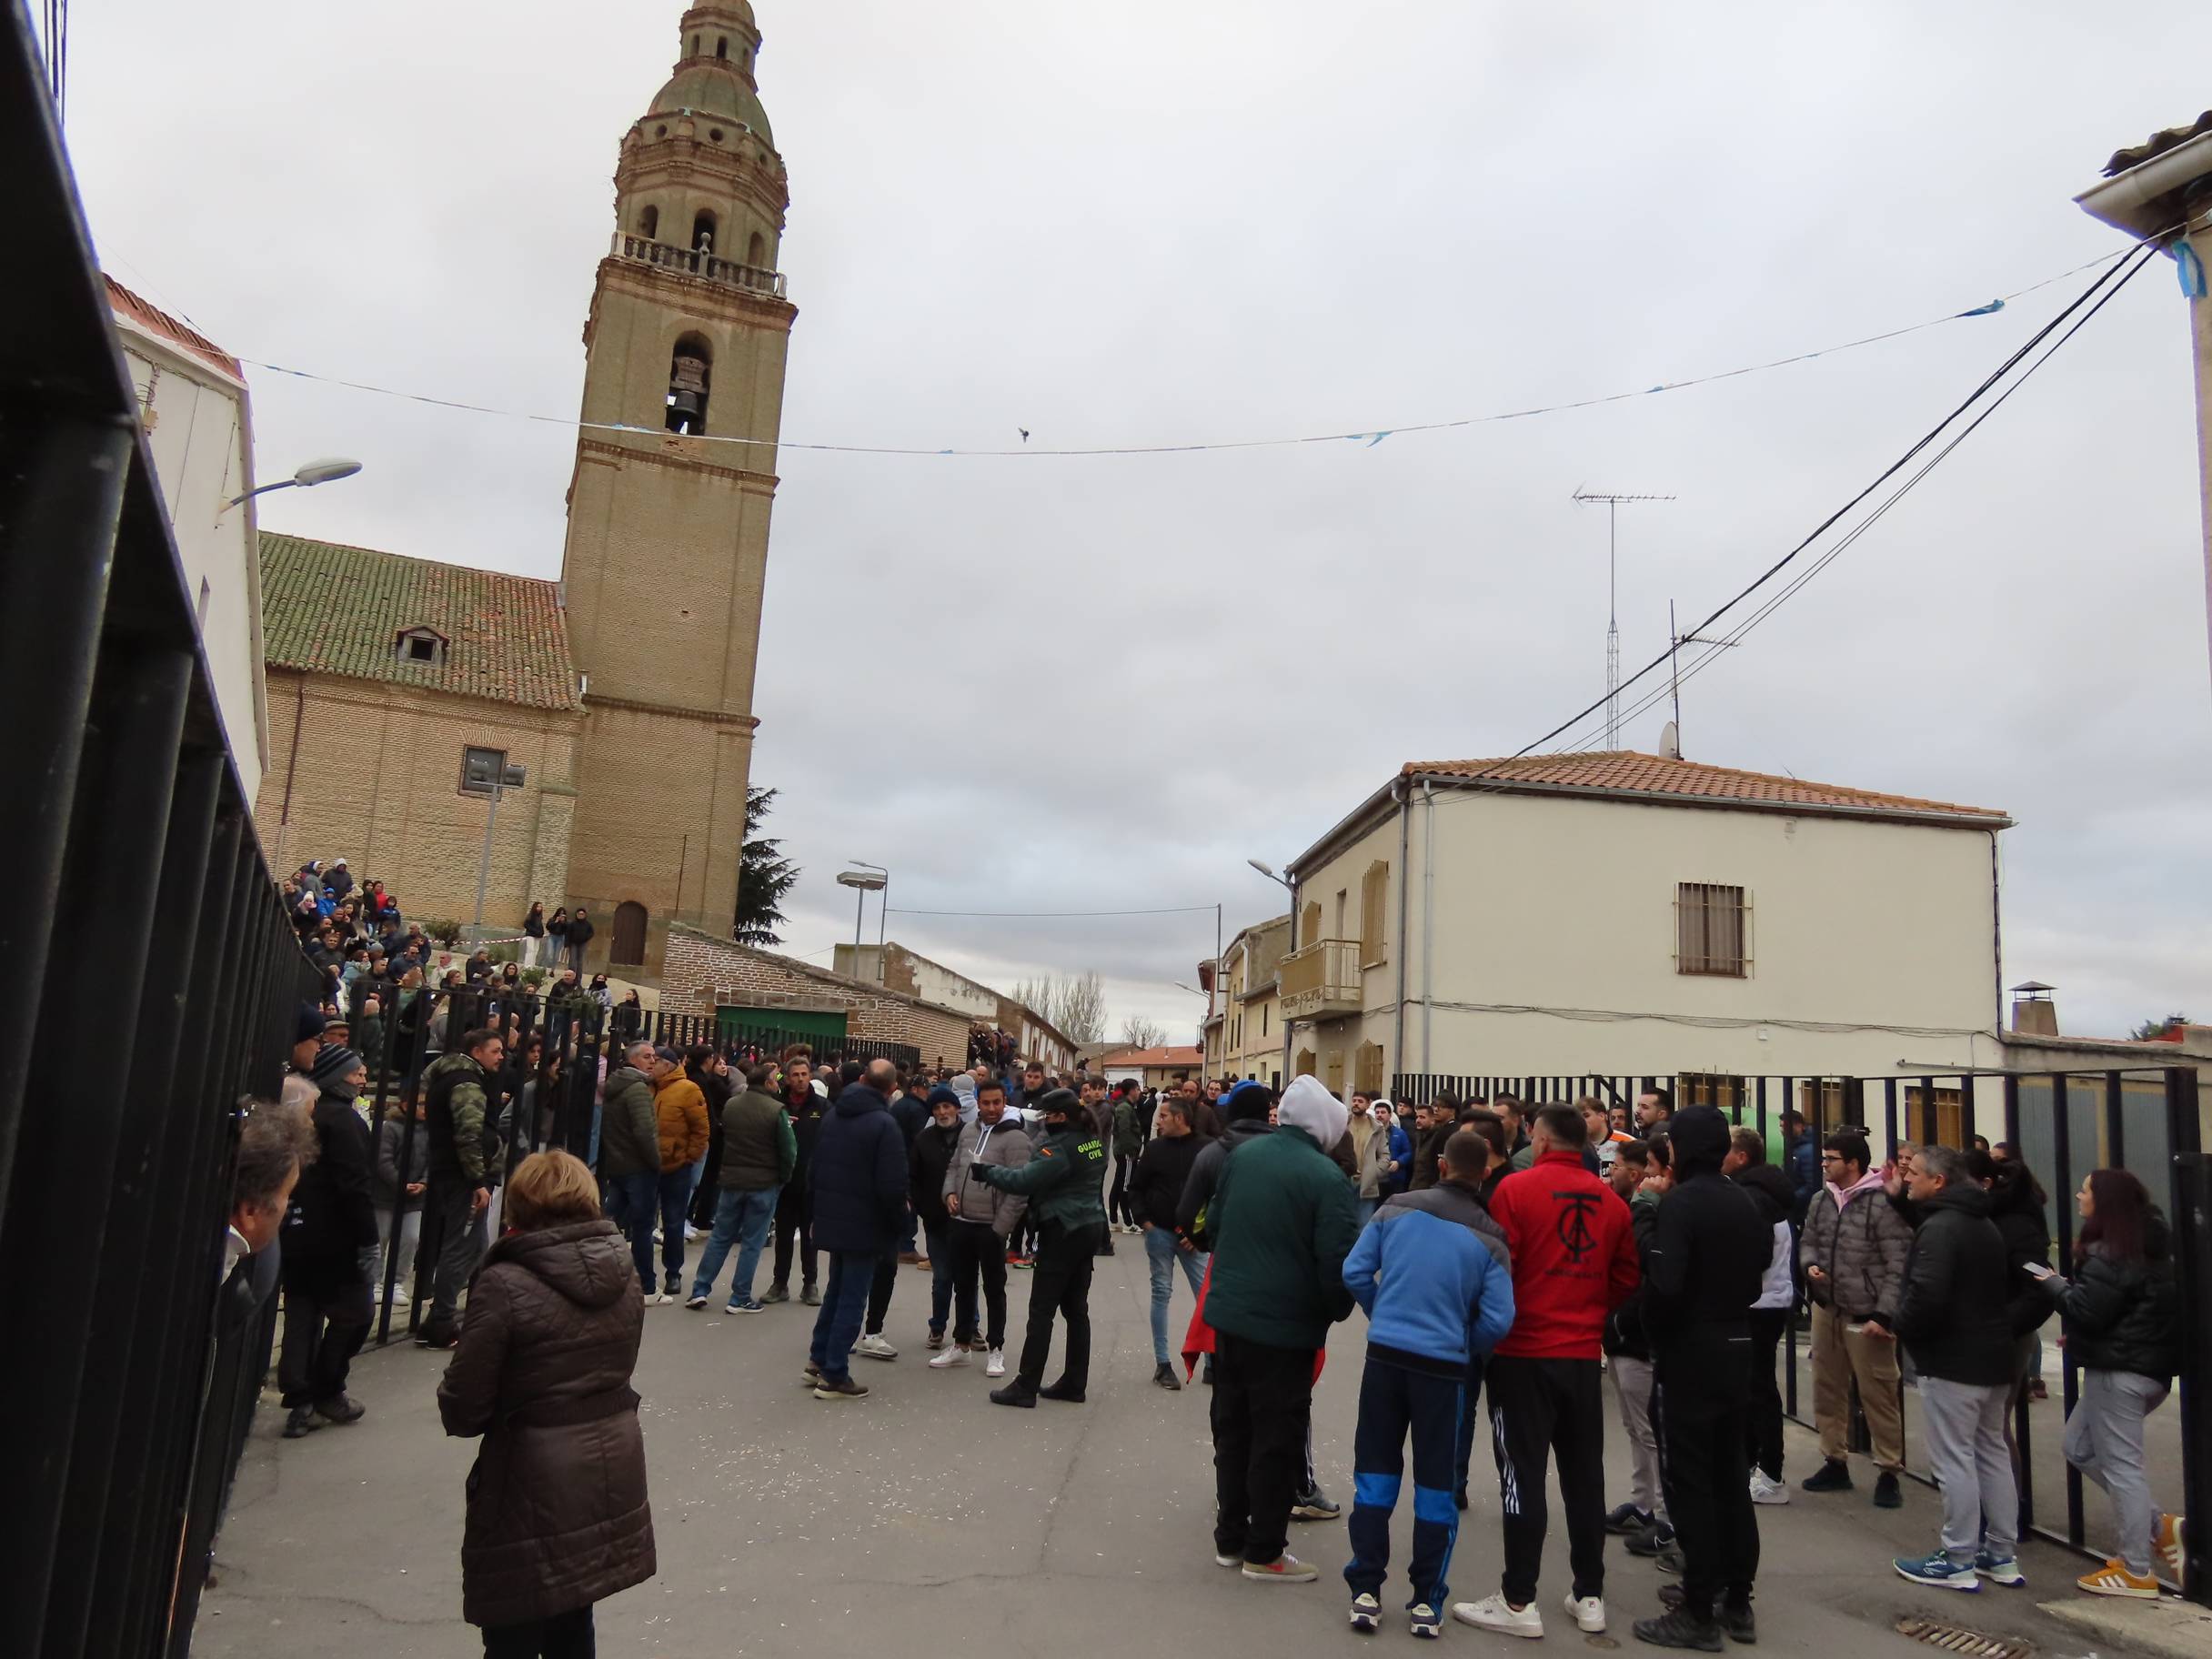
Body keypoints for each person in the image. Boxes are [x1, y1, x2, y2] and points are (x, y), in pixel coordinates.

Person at [437, 1151, 654, 1656]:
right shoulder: (624, 1270)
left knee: (514, 1618)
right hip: (610, 1454)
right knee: (573, 1608)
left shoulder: (504, 1281)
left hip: (530, 1463)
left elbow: (464, 1405)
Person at [1454, 1104, 1638, 1640]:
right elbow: (1626, 1277)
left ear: (1539, 1140)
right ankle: (1590, 1593)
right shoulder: (1611, 1202)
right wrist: (1588, 1308)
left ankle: (1518, 1599)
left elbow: (1494, 1263)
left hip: (1523, 1351)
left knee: (1522, 1475)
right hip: (1581, 1355)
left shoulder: (1514, 1190)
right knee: (1584, 1476)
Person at [1342, 1129, 1515, 1637]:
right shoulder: (1491, 1236)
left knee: (1375, 1474)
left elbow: (1355, 1272)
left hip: (1386, 1358)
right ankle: (1425, 1602)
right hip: (1443, 1369)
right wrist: (1464, 1343)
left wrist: (1383, 1314)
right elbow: (1500, 1319)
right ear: (1484, 1173)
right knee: (1437, 1484)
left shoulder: (1395, 1208)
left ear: (1441, 1165)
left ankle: (1366, 1590)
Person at [1201, 1075, 1358, 1584]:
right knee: (1276, 1436)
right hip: (1285, 1329)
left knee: (1233, 1429)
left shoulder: (1243, 1157)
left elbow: (1216, 1226)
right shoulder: (1327, 1178)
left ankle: (1230, 1537)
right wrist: (1335, 1309)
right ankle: (1264, 1550)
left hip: (1229, 1318)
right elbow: (1336, 1263)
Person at [1630, 1107, 1770, 1651]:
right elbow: (1758, 1269)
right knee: (1729, 1476)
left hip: (1692, 1348)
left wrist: (1645, 1220)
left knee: (1690, 1482)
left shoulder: (1681, 1203)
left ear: (1679, 1152)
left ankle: (1697, 1610)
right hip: (1737, 1340)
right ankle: (1735, 1600)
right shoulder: (1742, 1198)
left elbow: (1665, 1285)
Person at [2041, 1168, 2186, 1597]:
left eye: (2084, 1191)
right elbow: (2125, 1311)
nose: (2079, 1197)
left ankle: (2136, 1569)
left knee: (2122, 1467)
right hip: (2144, 1368)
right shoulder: (2150, 1245)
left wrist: (2053, 1286)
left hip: (2120, 1372)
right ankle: (2160, 1528)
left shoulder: (2111, 1251)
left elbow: (2088, 1308)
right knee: (2078, 1446)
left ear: (2103, 1202)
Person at [1887, 1144, 2019, 1594]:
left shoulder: (1941, 1227)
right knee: (1990, 1451)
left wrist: (1900, 1327)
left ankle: (1958, 1556)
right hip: (1992, 1356)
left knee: (1955, 1458)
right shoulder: (1982, 1223)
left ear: (1938, 1181)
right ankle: (2000, 1552)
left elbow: (1927, 1293)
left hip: (1953, 1360)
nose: (1907, 1178)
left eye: (1915, 1173)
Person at [970, 1088, 1109, 1406]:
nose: (1043, 1122)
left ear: (1060, 1117)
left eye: (1047, 1116)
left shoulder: (1058, 1148)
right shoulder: (1092, 1141)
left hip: (1063, 1228)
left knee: (1042, 1309)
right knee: (1076, 1310)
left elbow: (1024, 1181)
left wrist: (987, 1172)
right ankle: (1074, 1383)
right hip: (1088, 1226)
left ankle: (1026, 1385)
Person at [1796, 1129, 1913, 1506]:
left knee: (1878, 1392)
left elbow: (1899, 1262)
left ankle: (1889, 1469)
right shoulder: (1822, 1199)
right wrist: (1810, 1265)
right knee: (1827, 1387)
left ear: (1852, 1163)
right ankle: (1834, 1458)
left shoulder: (1881, 1203)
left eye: (1831, 1159)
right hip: (1827, 1306)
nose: (1824, 1164)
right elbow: (1809, 1239)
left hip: (1867, 1314)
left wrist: (1885, 1313)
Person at [278, 1046, 380, 1437]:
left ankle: (300, 1398)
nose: (361, 1078)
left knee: (302, 1316)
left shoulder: (304, 1117)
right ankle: (326, 1388)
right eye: (355, 1072)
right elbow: (356, 1186)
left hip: (298, 1234)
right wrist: (367, 1239)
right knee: (354, 1315)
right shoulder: (344, 1122)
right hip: (337, 1238)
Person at [803, 1060, 908, 1401]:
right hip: (866, 1223)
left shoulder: (833, 1115)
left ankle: (819, 1358)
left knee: (836, 1291)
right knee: (851, 1298)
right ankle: (835, 1373)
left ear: (863, 1079)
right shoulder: (884, 1125)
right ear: (892, 1089)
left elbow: (814, 1169)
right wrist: (900, 1226)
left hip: (834, 1218)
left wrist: (818, 1213)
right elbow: (892, 1187)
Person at [934, 1076, 1032, 1375]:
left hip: (991, 1227)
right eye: (986, 1102)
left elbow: (1020, 1188)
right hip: (961, 1222)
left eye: (997, 1103)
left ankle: (996, 1349)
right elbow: (954, 1167)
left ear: (1005, 1103)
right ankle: (962, 1343)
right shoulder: (968, 1130)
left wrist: (1000, 1228)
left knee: (994, 1289)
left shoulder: (1016, 1139)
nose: (991, 1108)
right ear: (977, 1102)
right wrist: (948, 1193)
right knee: (962, 1286)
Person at [417, 1028, 508, 1350]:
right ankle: (441, 1321)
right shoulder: (467, 1084)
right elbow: (469, 1134)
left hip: (453, 1171)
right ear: (477, 1051)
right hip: (462, 1176)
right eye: (495, 1051)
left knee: (476, 1244)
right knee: (462, 1246)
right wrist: (477, 1181)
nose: (501, 1057)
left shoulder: (450, 1077)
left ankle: (469, 1313)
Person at [1722, 1126, 1798, 1505]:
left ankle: (1770, 1473)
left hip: (1760, 1304)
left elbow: (1757, 1254)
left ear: (1742, 1157)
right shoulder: (1757, 1193)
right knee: (1752, 1389)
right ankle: (1753, 1465)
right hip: (1764, 1301)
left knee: (1759, 1390)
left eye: (1726, 1149)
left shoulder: (1754, 1198)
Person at [688, 1062, 795, 1312]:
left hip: (733, 1179)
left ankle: (700, 1289)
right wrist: (783, 1177)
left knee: (720, 1237)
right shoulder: (776, 1109)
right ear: (768, 1083)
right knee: (752, 1242)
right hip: (763, 1182)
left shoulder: (732, 1106)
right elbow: (788, 1150)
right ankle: (740, 1296)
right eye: (774, 1080)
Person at [1131, 1094, 1209, 1388]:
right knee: (1161, 1293)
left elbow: (1215, 1195)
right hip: (1160, 1232)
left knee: (1206, 1297)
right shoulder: (1154, 1149)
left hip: (1195, 1239)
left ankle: (1212, 1360)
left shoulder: (1206, 1149)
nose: (1158, 1122)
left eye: (1163, 1116)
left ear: (1179, 1118)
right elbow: (1136, 1188)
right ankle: (1163, 1363)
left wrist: (1201, 1234)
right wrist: (1145, 1221)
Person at [643, 1046, 709, 1302]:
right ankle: (644, 1272)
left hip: (676, 1165)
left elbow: (701, 1130)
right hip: (648, 1164)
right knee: (645, 1221)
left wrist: (688, 1157)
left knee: (672, 1221)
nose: (652, 1064)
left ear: (668, 1065)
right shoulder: (648, 1087)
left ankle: (673, 1272)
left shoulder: (688, 1089)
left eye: (656, 1060)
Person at [598, 1041, 664, 1291]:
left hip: (619, 1165)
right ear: (634, 1060)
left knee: (610, 1221)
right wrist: (656, 1162)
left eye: (654, 1057)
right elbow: (644, 1131)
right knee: (642, 1228)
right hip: (638, 1167)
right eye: (647, 1057)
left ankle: (605, 1273)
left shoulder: (616, 1085)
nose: (652, 1061)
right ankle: (646, 1285)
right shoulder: (636, 1089)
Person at [768, 1060, 830, 1306]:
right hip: (784, 1181)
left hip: (811, 1182)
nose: (801, 1079)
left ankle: (810, 1284)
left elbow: (830, 1142)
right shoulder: (776, 1105)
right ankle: (779, 1283)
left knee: (810, 1237)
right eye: (796, 1075)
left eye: (804, 1074)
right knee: (783, 1235)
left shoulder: (823, 1106)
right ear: (788, 1078)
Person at [909, 1088, 967, 1345]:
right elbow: (913, 1178)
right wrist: (923, 1207)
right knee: (942, 1277)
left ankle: (969, 1327)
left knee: (967, 1278)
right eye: (937, 1108)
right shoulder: (923, 1139)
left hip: (968, 1220)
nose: (942, 1112)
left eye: (947, 1106)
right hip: (935, 1220)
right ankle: (938, 1326)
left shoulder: (972, 1135)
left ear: (957, 1108)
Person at [371, 1091, 429, 1306]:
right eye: (422, 1103)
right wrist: (400, 1182)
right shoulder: (391, 1128)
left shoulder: (428, 1131)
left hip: (415, 1196)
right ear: (406, 1104)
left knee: (411, 1238)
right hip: (386, 1195)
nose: (426, 1108)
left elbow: (431, 1162)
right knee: (381, 1237)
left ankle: (396, 1282)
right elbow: (382, 1160)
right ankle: (374, 1281)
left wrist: (423, 1183)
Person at [1108, 1080, 1145, 1233]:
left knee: (1118, 1184)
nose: (1139, 1092)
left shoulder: (1127, 1107)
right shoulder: (1124, 1108)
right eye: (1137, 1089)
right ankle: (1128, 1223)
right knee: (1125, 1186)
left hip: (1124, 1151)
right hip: (1126, 1152)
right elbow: (1123, 1131)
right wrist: (1131, 1150)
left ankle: (1113, 1221)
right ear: (1131, 1091)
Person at [565, 906, 595, 971]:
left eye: (582, 914)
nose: (580, 915)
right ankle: (571, 977)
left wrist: (586, 937)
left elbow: (591, 933)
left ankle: (578, 979)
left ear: (585, 915)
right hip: (573, 943)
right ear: (576, 914)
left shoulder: (588, 924)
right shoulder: (572, 923)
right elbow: (568, 933)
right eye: (579, 914)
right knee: (572, 961)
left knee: (580, 962)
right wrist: (567, 944)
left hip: (583, 944)